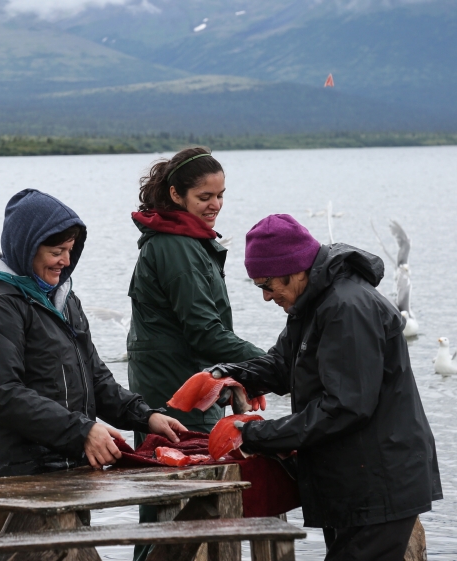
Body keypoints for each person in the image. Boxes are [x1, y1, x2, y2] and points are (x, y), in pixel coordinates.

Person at [211, 214, 442, 561]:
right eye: (259, 286)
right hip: (351, 481)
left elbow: (346, 406)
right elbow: (282, 364)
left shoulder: (347, 308)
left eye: (268, 284)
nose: (265, 296)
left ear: (297, 268)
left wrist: (259, 436)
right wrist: (229, 376)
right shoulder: (310, 302)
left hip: (380, 483)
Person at [0, 189, 186, 533]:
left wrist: (145, 416)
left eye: (70, 251)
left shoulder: (64, 299)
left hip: (70, 470)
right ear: (25, 247)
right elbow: (1, 396)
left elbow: (94, 377)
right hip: (14, 478)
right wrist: (83, 431)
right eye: (55, 251)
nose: (65, 260)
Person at [127, 147, 265, 560]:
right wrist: (274, 364)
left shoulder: (184, 242)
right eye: (205, 196)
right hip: (177, 395)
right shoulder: (176, 248)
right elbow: (205, 333)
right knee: (172, 511)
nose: (216, 205)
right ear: (176, 195)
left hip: (183, 387)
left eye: (221, 195)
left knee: (172, 509)